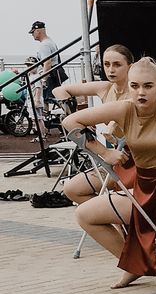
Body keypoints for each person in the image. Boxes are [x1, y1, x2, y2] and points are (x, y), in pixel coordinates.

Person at [61, 58, 156, 288]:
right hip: (143, 191)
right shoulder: (124, 108)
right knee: (85, 215)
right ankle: (133, 265)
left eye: (148, 86)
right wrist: (103, 152)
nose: (140, 92)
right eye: (135, 86)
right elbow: (71, 121)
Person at [54, 44, 138, 203]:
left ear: (130, 67)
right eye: (107, 64)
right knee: (72, 189)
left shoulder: (137, 92)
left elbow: (115, 122)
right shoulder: (105, 88)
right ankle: (113, 224)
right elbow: (59, 91)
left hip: (141, 158)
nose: (111, 69)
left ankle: (117, 218)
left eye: (117, 64)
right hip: (118, 156)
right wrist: (74, 117)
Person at [28, 22, 65, 108]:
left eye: (33, 32)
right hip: (54, 73)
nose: (32, 35)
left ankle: (47, 117)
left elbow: (47, 63)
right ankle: (49, 115)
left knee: (46, 98)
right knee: (52, 97)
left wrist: (44, 80)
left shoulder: (44, 45)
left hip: (49, 75)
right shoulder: (50, 41)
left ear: (38, 31)